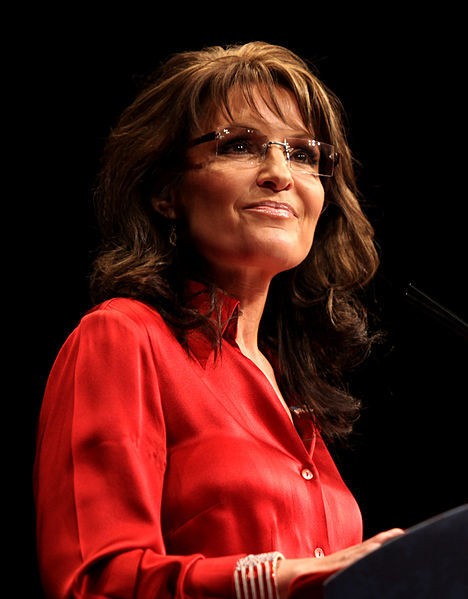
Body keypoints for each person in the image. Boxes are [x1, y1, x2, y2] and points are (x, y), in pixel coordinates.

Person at [33, 40, 404, 599]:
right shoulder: (123, 337)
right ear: (166, 191)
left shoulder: (288, 383)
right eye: (240, 145)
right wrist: (279, 577)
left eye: (303, 154)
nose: (279, 173)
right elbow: (94, 581)